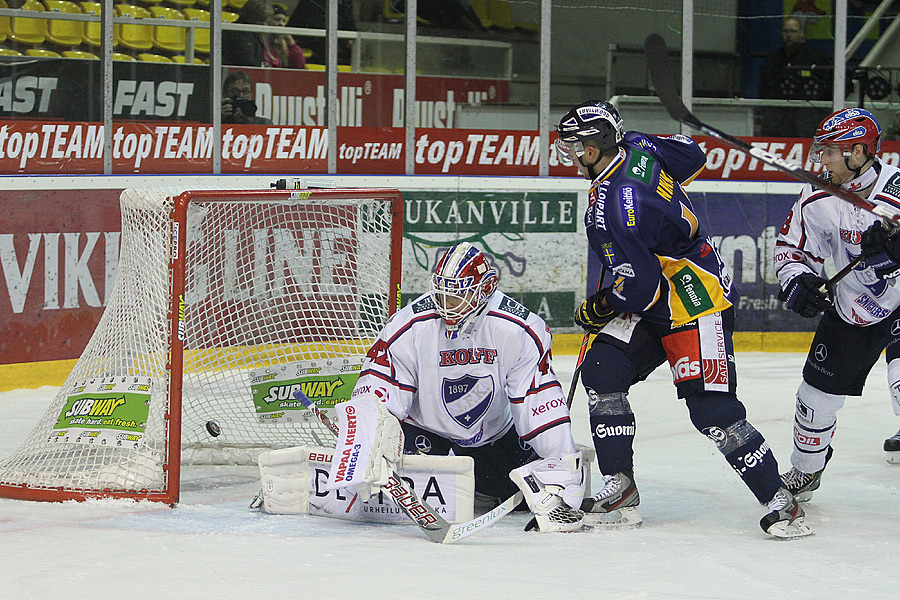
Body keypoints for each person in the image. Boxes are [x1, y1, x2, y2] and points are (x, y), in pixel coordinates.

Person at [556, 100, 811, 538]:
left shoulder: (615, 209)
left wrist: (599, 307)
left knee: (712, 410)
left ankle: (778, 499)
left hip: (696, 299)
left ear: (597, 146)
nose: (570, 154)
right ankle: (621, 485)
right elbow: (693, 153)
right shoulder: (637, 146)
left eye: (575, 146)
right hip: (660, 285)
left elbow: (638, 288)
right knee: (602, 369)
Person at [328, 242, 587, 532]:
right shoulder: (409, 325)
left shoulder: (520, 330)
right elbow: (377, 391)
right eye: (441, 293)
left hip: (491, 433)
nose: (445, 304)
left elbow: (538, 402)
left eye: (457, 296)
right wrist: (365, 438)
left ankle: (482, 482)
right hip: (423, 429)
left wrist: (561, 467)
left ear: (486, 289)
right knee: (385, 497)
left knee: (519, 494)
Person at [775, 108, 900, 500]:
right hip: (853, 307)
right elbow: (791, 249)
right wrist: (798, 281)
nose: (821, 159)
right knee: (814, 399)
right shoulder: (816, 197)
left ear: (859, 152)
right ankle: (807, 471)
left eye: (830, 151)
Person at [758, 16, 832, 137]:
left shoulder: (816, 58)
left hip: (806, 119)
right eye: (785, 31)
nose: (788, 35)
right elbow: (765, 88)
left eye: (793, 31)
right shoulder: (773, 58)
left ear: (802, 33)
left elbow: (825, 90)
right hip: (777, 119)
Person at [222, 0, 272, 67]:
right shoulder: (236, 31)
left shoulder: (253, 33)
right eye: (261, 21)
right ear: (253, 18)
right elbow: (246, 61)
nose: (264, 25)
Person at [263, 4, 306, 69]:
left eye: (284, 21)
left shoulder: (283, 45)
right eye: (277, 19)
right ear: (267, 21)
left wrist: (292, 45)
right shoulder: (260, 42)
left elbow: (299, 66)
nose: (281, 24)